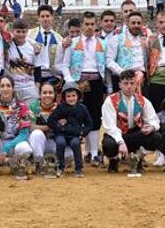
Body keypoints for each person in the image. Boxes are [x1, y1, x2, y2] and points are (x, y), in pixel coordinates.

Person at [60, 11, 107, 166]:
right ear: (81, 26)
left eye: (92, 24)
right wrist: (71, 82)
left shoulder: (103, 43)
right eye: (86, 24)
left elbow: (105, 68)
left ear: (96, 25)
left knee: (94, 117)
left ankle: (93, 153)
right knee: (76, 116)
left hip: (96, 81)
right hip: (77, 81)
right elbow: (65, 65)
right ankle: (82, 152)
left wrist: (109, 86)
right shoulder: (71, 43)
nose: (89, 27)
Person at [100, 69, 162, 175]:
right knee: (108, 144)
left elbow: (154, 120)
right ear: (120, 85)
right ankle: (114, 160)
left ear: (136, 84)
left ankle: (137, 158)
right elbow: (110, 126)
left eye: (132, 83)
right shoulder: (110, 101)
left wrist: (151, 127)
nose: (129, 86)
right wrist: (120, 142)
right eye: (125, 83)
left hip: (135, 135)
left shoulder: (143, 101)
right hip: (117, 135)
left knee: (156, 137)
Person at [47, 81, 92, 177]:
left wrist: (83, 132)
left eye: (73, 95)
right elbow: (51, 121)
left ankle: (79, 169)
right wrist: (59, 127)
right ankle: (60, 167)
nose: (71, 98)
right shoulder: (60, 107)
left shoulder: (82, 108)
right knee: (60, 143)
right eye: (68, 96)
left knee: (76, 143)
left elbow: (89, 123)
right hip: (61, 134)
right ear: (64, 97)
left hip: (75, 135)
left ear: (78, 96)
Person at [28, 82, 73, 171]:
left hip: (54, 140)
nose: (47, 95)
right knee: (36, 133)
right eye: (44, 93)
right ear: (39, 94)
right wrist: (52, 126)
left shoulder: (60, 107)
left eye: (50, 92)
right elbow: (31, 127)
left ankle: (52, 160)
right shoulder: (33, 106)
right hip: (39, 142)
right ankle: (38, 162)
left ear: (55, 94)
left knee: (69, 155)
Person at [106, 11, 149, 92]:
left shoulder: (144, 41)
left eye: (138, 23)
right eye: (133, 23)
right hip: (122, 80)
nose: (136, 25)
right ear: (127, 23)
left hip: (141, 81)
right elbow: (109, 61)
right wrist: (123, 73)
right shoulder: (116, 39)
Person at [6, 19, 40, 102]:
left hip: (29, 88)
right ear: (13, 31)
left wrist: (37, 88)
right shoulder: (7, 45)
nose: (21, 35)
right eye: (18, 31)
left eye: (23, 32)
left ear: (27, 32)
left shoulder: (33, 47)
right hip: (13, 88)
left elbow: (38, 68)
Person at [28, 5, 63, 86]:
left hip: (51, 76)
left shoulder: (59, 38)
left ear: (52, 17)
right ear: (38, 18)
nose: (45, 19)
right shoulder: (30, 34)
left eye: (47, 16)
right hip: (34, 74)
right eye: (42, 16)